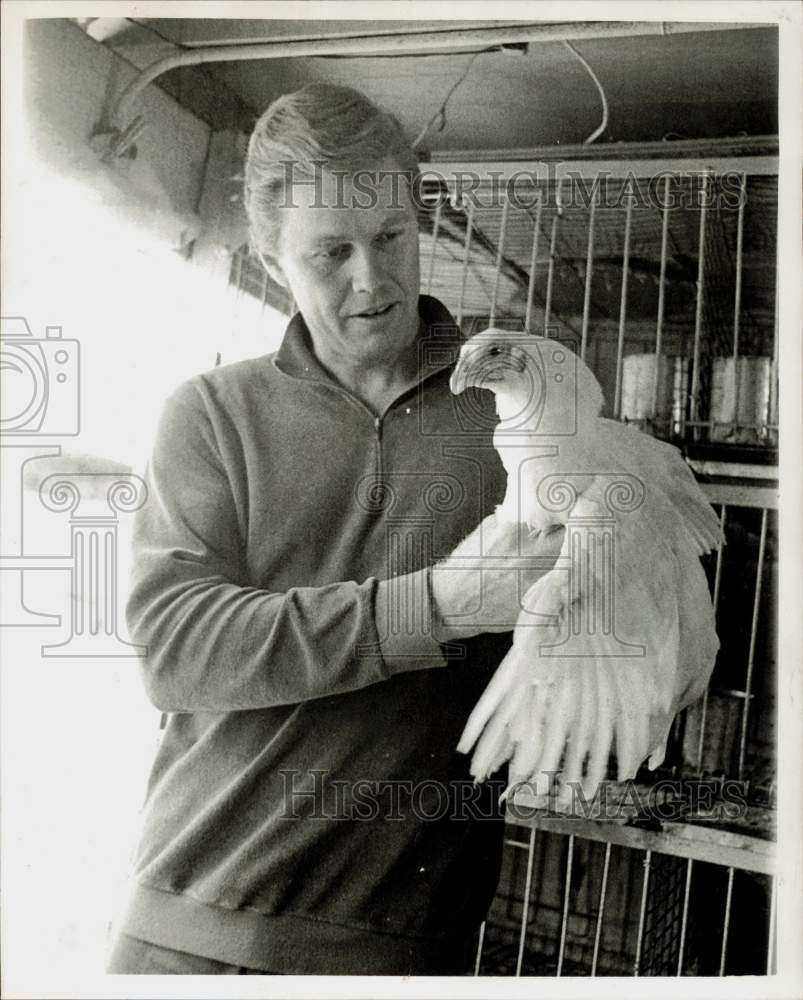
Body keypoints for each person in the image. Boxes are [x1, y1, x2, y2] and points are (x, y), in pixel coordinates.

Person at [107, 83, 563, 976]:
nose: (371, 278)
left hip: (401, 941)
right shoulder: (210, 415)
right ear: (273, 261)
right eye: (330, 253)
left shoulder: (515, 407)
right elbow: (174, 647)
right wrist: (428, 607)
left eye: (391, 238)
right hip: (190, 926)